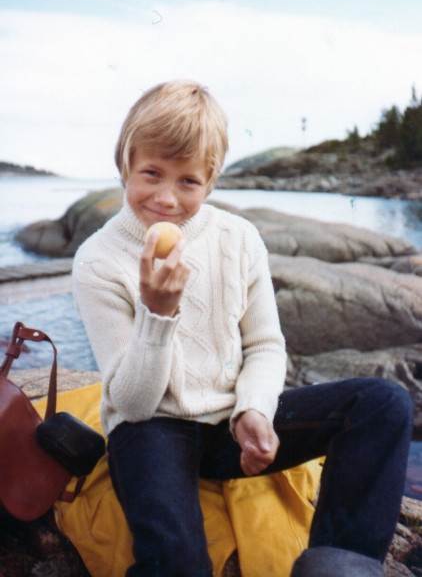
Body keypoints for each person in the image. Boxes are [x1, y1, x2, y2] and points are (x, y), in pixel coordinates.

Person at [73, 79, 413, 577]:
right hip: (151, 430)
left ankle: (340, 563)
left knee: (384, 403)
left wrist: (254, 409)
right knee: (180, 563)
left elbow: (266, 346)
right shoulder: (98, 261)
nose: (166, 198)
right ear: (124, 164)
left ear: (210, 183)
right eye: (151, 173)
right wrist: (158, 313)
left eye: (188, 181)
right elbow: (133, 402)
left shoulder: (238, 237)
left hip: (230, 424)